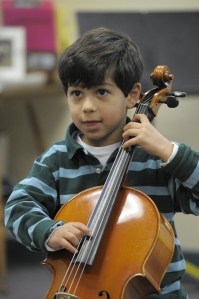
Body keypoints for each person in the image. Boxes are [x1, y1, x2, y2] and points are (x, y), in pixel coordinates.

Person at [4, 27, 199, 298]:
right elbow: (16, 207)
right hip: (75, 288)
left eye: (101, 92)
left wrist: (169, 151)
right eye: (77, 93)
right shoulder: (57, 159)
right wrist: (48, 232)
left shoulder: (156, 158)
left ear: (132, 95)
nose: (87, 106)